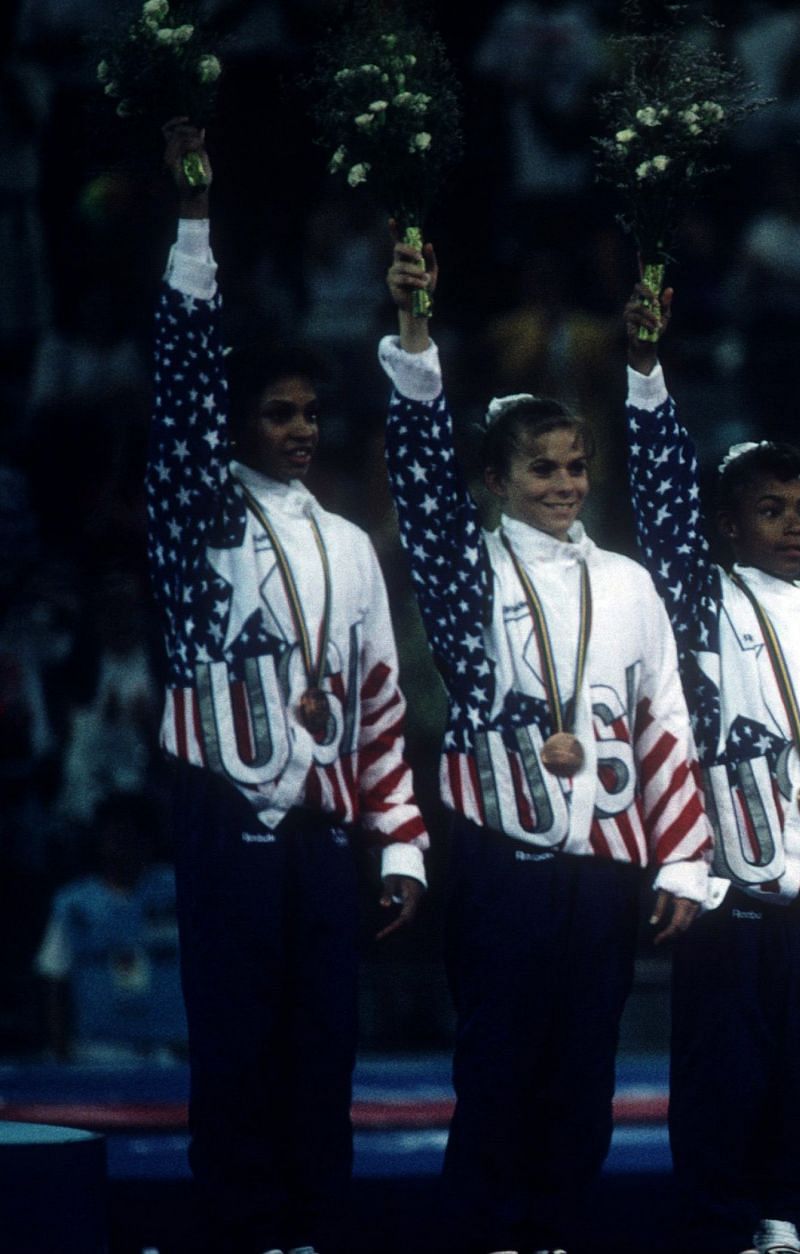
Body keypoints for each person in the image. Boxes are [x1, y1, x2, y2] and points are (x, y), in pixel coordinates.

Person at [380, 234, 712, 1254]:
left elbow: (667, 718)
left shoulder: (628, 581)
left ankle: (559, 1230)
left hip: (607, 854)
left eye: (575, 467)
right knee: (499, 1060)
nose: (563, 484)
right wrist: (414, 337)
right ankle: (486, 1231)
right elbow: (422, 484)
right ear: (496, 477)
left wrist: (687, 853)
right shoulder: (465, 567)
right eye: (541, 469)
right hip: (499, 851)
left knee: (584, 1063)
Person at [145, 121, 428, 1254]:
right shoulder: (198, 515)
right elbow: (179, 388)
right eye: (277, 413)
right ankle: (242, 1228)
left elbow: (382, 708)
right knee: (238, 1038)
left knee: (324, 1040)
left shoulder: (352, 544)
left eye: (310, 413)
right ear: (234, 423)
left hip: (324, 820)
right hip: (226, 812)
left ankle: (316, 1226)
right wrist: (196, 226)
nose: (301, 430)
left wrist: (401, 844)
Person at [622, 270, 800, 1254]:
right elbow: (661, 499)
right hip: (728, 898)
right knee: (721, 1078)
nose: (791, 525)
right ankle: (715, 1223)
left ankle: (788, 1220)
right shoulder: (698, 603)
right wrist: (646, 375)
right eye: (768, 510)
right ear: (726, 524)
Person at [36, 791, 186, 1062]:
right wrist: (61, 1052)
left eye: (129, 834)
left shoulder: (180, 892)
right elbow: (54, 976)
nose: (119, 843)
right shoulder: (74, 904)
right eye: (112, 834)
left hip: (173, 1049)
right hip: (98, 1051)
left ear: (148, 840)